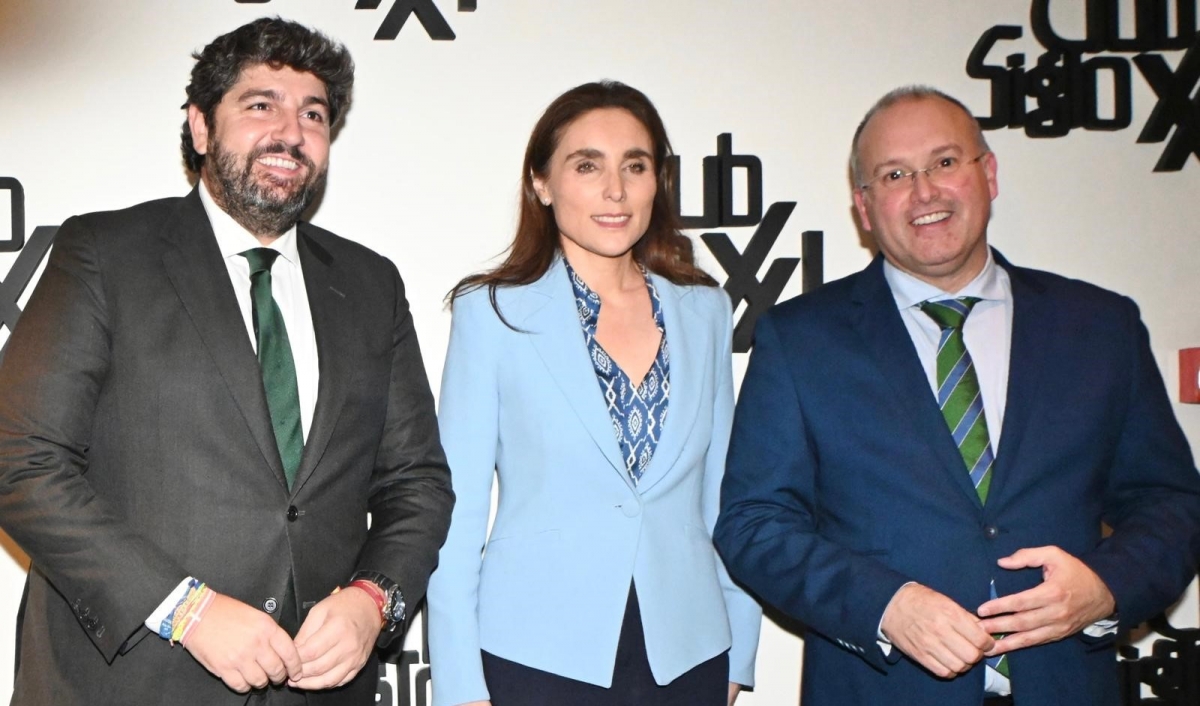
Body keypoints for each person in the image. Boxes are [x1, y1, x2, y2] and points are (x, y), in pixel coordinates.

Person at [0, 17, 453, 706]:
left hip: (318, 689)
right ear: (202, 126)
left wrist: (372, 599)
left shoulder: (370, 285)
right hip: (129, 684)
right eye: (260, 104)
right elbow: (18, 459)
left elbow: (416, 483)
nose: (291, 131)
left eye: (313, 114)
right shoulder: (105, 253)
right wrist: (186, 609)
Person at [713, 85, 1200, 706]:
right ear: (864, 206)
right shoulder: (800, 339)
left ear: (987, 173)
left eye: (945, 162)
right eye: (895, 174)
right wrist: (885, 606)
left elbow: (1170, 502)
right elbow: (754, 523)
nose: (925, 192)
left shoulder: (1100, 326)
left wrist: (1106, 588)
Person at [426, 81, 761, 706]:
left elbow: (725, 496)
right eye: (588, 165)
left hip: (688, 651)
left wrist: (739, 648)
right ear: (542, 184)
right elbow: (456, 512)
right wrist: (459, 683)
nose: (615, 190)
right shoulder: (493, 313)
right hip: (534, 652)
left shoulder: (705, 310)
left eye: (635, 166)